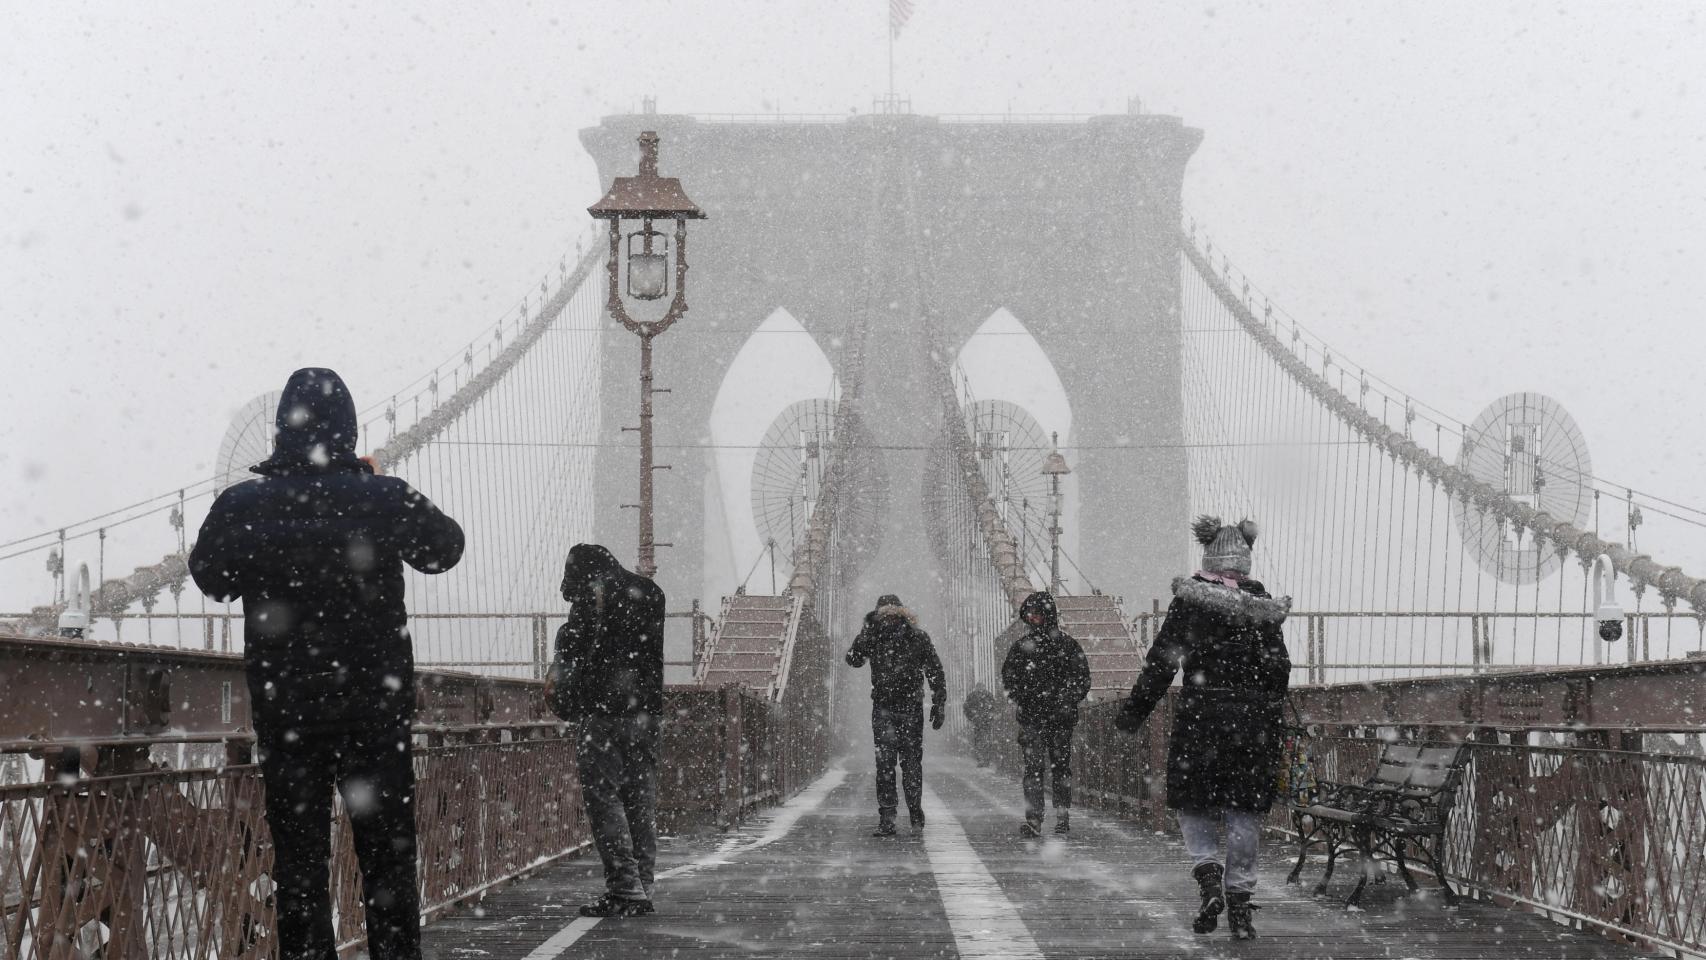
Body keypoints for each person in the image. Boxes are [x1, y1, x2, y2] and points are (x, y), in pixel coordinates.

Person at [189, 368, 464, 960]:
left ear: (282, 427)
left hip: (289, 716)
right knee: (388, 863)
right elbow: (445, 550)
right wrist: (378, 494)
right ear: (348, 426)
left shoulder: (243, 505)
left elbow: (212, 580)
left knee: (299, 868)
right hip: (374, 711)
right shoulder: (385, 498)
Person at [1115, 516, 1290, 941]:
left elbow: (1162, 662)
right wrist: (1264, 709)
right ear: (1245, 561)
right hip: (1252, 726)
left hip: (1202, 719)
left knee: (1193, 804)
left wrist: (1135, 712)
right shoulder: (1263, 606)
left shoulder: (1191, 602)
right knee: (1244, 811)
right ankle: (1241, 904)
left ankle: (1209, 878)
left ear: (1208, 554)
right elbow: (1279, 668)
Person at [545, 543, 666, 917]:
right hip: (644, 713)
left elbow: (579, 651)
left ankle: (624, 888)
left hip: (601, 713)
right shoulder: (651, 593)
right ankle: (642, 884)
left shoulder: (591, 596)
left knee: (605, 800)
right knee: (640, 798)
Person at [845, 594, 946, 836]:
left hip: (886, 708)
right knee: (910, 763)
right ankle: (913, 816)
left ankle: (889, 818)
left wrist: (866, 631)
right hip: (907, 708)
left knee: (887, 765)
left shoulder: (877, 635)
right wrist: (938, 702)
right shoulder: (916, 635)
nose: (888, 618)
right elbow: (935, 670)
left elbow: (853, 659)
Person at [999, 591, 1091, 837]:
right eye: (1030, 614)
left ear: (1046, 615)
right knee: (1038, 767)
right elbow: (1009, 678)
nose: (1032, 618)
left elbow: (1082, 679)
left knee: (1053, 767)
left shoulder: (1028, 648)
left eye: (1037, 614)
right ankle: (1037, 818)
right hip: (1042, 717)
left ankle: (1058, 814)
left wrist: (1059, 700)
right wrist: (1064, 699)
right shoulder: (1066, 645)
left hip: (1051, 718)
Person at [962, 683, 999, 768]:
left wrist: (972, 717)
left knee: (983, 740)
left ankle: (984, 759)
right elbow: (966, 708)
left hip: (983, 722)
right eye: (979, 688)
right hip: (980, 722)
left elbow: (994, 707)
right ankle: (983, 759)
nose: (980, 689)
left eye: (981, 688)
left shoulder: (977, 696)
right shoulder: (979, 696)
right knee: (982, 740)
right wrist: (972, 717)